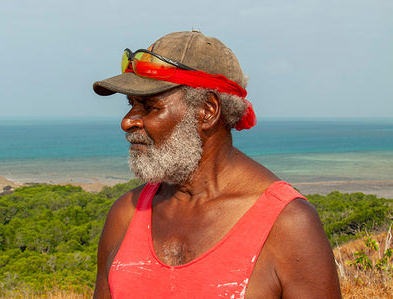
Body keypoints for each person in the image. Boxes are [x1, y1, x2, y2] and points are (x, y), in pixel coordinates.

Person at [92, 31, 341, 298]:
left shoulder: (288, 225)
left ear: (208, 111)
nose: (127, 122)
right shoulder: (126, 214)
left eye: (150, 107)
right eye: (131, 104)